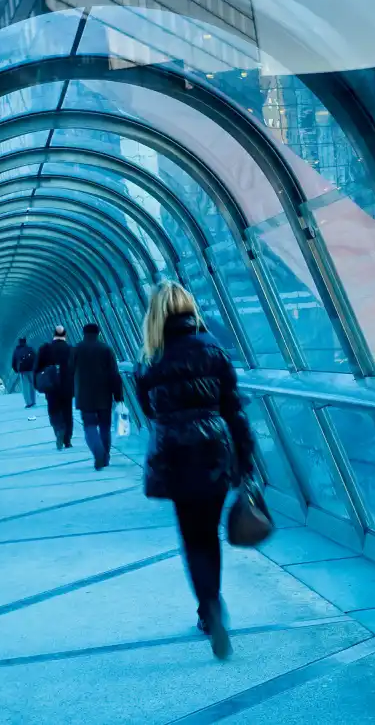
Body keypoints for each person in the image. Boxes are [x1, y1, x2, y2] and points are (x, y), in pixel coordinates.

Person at [135, 282, 255, 660]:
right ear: (189, 309)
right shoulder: (213, 349)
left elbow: (150, 412)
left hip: (174, 454)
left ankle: (209, 608)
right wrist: (245, 460)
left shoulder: (150, 359)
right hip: (214, 450)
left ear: (154, 315)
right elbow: (233, 408)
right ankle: (213, 610)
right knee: (209, 534)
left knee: (192, 538)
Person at [73, 323, 123, 470]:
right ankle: (105, 456)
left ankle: (98, 453)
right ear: (99, 333)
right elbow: (114, 374)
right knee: (105, 427)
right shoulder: (106, 349)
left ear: (83, 333)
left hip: (84, 395)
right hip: (104, 395)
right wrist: (118, 395)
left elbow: (68, 372)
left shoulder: (76, 350)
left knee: (89, 427)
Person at [34, 325, 75, 449]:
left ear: (53, 335)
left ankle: (58, 430)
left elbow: (37, 368)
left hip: (51, 387)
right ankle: (67, 440)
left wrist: (37, 384)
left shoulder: (45, 349)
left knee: (53, 410)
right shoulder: (70, 349)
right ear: (65, 335)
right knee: (67, 412)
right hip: (67, 386)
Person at [12, 337, 38, 408]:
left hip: (23, 370)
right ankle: (33, 401)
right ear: (25, 342)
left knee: (25, 386)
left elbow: (14, 361)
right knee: (32, 385)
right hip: (31, 370)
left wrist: (15, 369)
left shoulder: (17, 350)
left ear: (19, 342)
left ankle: (28, 402)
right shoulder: (30, 349)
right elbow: (36, 357)